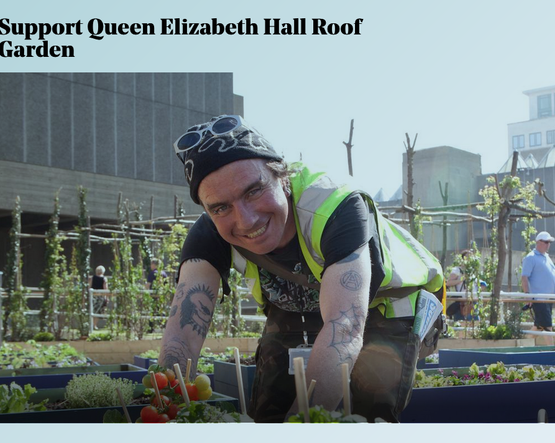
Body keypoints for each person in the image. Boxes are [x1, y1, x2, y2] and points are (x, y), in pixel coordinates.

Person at [157, 115, 444, 423]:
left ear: (282, 176)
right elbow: (183, 335)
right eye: (221, 207)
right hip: (294, 305)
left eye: (254, 191)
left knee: (363, 411)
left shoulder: (335, 204)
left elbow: (344, 326)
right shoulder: (209, 232)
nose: (246, 220)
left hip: (384, 305)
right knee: (269, 414)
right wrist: (165, 409)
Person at [521, 231, 555, 343]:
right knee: (547, 326)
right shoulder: (530, 257)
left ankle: (523, 344)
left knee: (540, 326)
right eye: (546, 242)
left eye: (549, 242)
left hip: (548, 298)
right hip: (539, 299)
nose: (548, 244)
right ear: (538, 242)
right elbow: (524, 277)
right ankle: (551, 351)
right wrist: (527, 295)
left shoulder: (547, 257)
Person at [445, 249, 472, 321]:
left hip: (472, 301)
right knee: (461, 322)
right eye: (467, 257)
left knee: (475, 322)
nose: (470, 259)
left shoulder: (472, 270)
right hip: (461, 302)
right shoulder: (457, 270)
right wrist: (461, 279)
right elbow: (449, 283)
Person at [90, 265, 108, 330]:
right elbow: (105, 288)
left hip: (93, 296)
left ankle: (93, 325)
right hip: (100, 297)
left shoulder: (93, 278)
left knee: (93, 310)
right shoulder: (104, 279)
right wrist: (106, 297)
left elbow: (90, 286)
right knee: (98, 311)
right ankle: (94, 325)